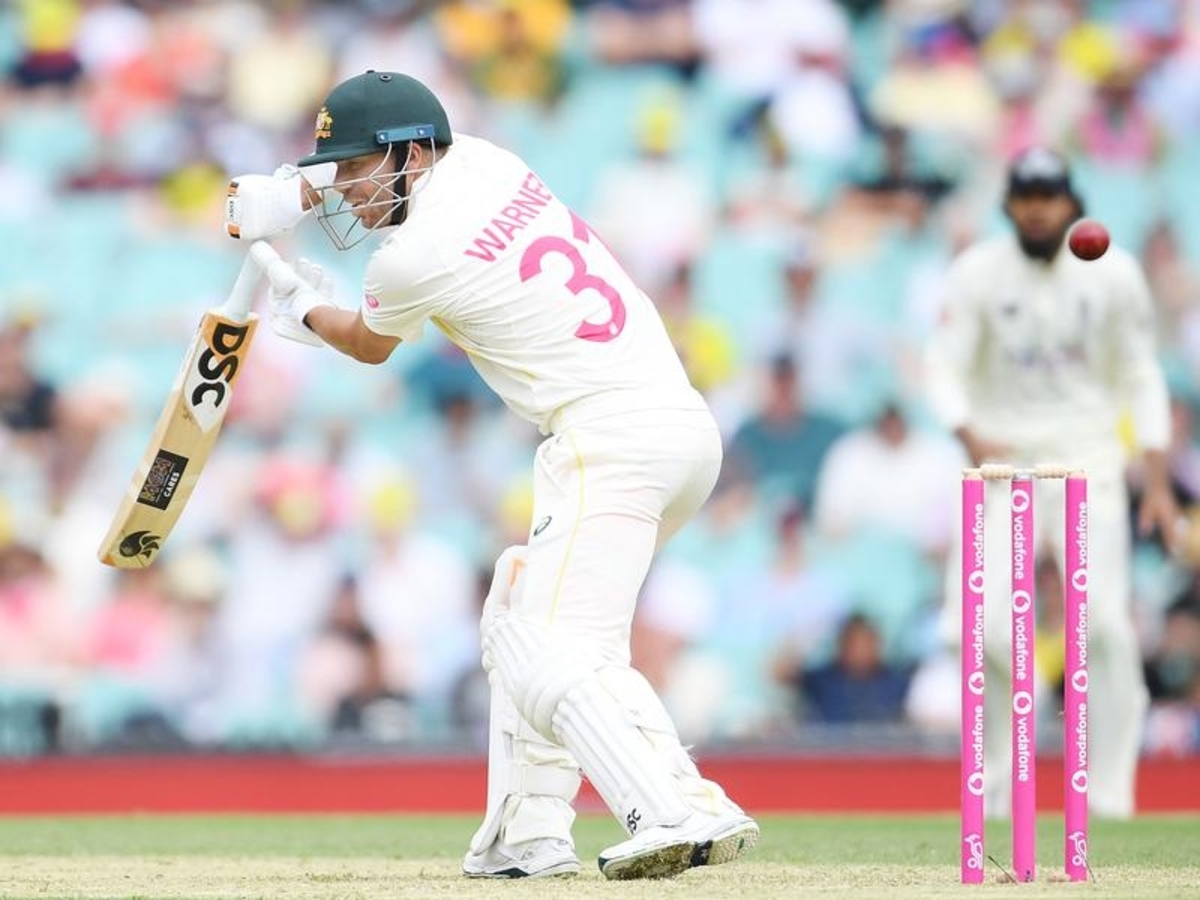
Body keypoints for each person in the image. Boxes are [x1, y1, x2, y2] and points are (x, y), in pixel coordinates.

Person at [223, 70, 758, 880]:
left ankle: (678, 807)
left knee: (548, 644)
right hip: (679, 429)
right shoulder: (488, 160)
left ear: (409, 155)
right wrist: (287, 194)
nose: (350, 191)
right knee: (519, 602)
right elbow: (377, 176)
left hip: (606, 439)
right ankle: (526, 835)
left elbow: (366, 345)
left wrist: (298, 305)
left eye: (360, 167)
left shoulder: (410, 260)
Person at [924, 146, 1179, 819]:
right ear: (1010, 205)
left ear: (1071, 203)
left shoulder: (1114, 275)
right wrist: (968, 434)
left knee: (1105, 627)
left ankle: (1110, 797)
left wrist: (1157, 481)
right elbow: (943, 366)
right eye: (1027, 197)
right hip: (1001, 461)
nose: (1038, 210)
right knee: (975, 626)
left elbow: (1141, 376)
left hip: (1088, 461)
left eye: (1049, 197)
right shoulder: (977, 274)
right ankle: (999, 791)